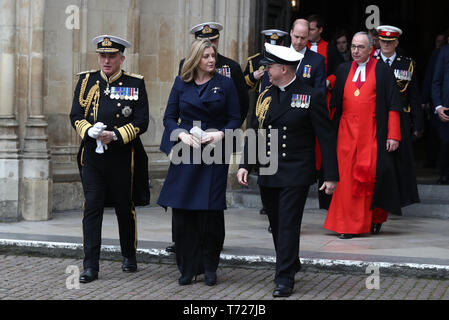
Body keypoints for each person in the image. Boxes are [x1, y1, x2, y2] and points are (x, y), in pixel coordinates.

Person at [237, 43, 338, 297]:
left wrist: (331, 175)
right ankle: (290, 261)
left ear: (283, 68)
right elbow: (256, 132)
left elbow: (325, 138)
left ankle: (284, 277)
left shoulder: (310, 95)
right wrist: (245, 164)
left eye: (270, 67)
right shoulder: (264, 95)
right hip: (269, 169)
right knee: (276, 222)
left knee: (289, 223)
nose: (266, 71)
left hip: (296, 170)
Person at [158, 38, 241, 286]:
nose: (211, 60)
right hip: (187, 151)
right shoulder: (181, 84)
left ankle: (210, 266)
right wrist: (181, 134)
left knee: (210, 211)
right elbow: (169, 117)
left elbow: (235, 118)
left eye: (213, 55)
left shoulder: (225, 84)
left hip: (215, 151)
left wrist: (220, 134)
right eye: (206, 56)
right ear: (196, 58)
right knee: (184, 211)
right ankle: (187, 267)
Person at [70, 35, 150, 283]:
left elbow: (141, 121)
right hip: (93, 158)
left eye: (111, 56)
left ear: (121, 58)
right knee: (92, 208)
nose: (106, 60)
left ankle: (128, 255)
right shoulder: (86, 81)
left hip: (122, 158)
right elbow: (75, 114)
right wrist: (88, 130)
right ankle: (90, 266)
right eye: (102, 56)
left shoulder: (134, 84)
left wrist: (115, 135)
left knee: (124, 208)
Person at [324, 31, 418, 239]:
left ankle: (374, 219)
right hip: (345, 133)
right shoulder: (342, 69)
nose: (356, 51)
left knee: (369, 178)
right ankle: (347, 225)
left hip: (372, 132)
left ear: (370, 50)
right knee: (346, 180)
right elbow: (334, 102)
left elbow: (393, 104)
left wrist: (393, 135)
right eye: (353, 47)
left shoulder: (383, 71)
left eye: (361, 47)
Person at [166, 22, 249, 254]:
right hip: (189, 144)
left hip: (217, 142)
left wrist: (222, 132)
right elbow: (173, 112)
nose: (210, 54)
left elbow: (240, 107)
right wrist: (184, 133)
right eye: (205, 48)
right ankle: (182, 246)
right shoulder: (185, 70)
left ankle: (210, 254)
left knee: (211, 202)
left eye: (213, 45)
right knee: (184, 197)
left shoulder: (230, 69)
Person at [375, 25, 422, 217]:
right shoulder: (371, 61)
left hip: (400, 119)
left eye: (390, 42)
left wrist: (418, 124)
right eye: (383, 41)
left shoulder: (407, 64)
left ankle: (396, 202)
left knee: (399, 164)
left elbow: (414, 95)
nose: (386, 45)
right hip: (375, 118)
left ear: (396, 43)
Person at [244, 29, 288, 221]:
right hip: (261, 111)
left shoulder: (287, 61)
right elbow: (244, 83)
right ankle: (268, 206)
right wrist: (254, 76)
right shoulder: (256, 60)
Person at [307, 14, 344, 210]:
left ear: (320, 30)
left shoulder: (330, 49)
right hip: (302, 106)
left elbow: (340, 72)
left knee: (324, 150)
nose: (308, 33)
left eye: (312, 29)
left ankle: (325, 199)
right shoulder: (298, 48)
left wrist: (330, 79)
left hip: (324, 106)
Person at [432, 42, 449, 185]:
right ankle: (444, 175)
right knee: (445, 143)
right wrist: (438, 106)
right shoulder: (444, 52)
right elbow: (436, 81)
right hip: (446, 107)